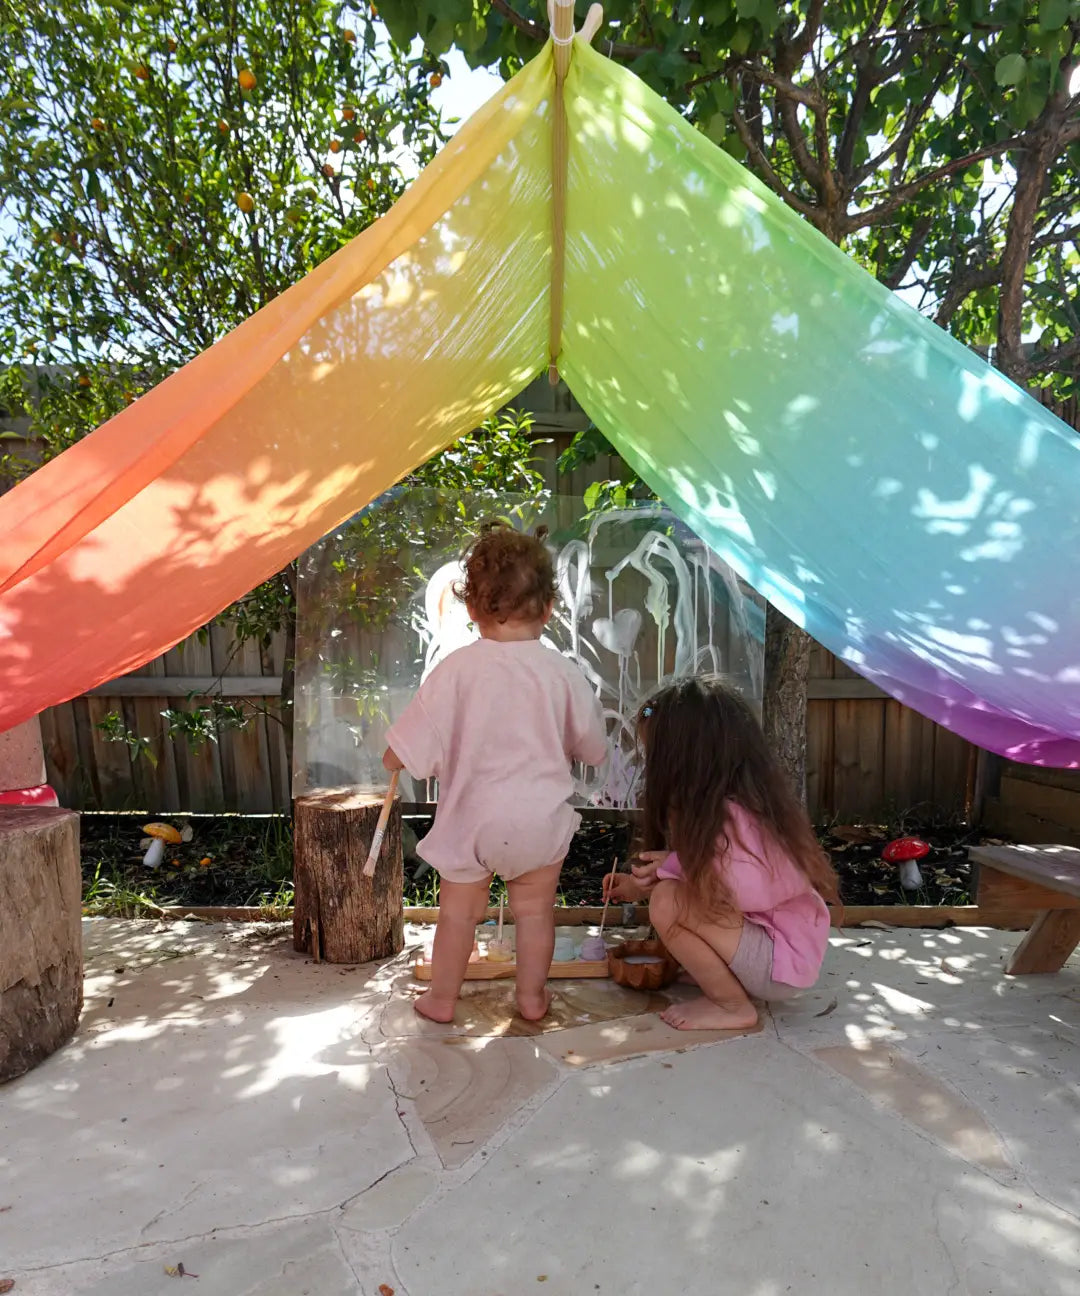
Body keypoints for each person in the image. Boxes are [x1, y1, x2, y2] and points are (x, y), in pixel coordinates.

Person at [383, 522, 607, 1024]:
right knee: (534, 913)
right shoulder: (562, 673)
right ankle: (529, 998)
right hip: (538, 823)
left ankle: (442, 999)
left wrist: (394, 757)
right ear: (549, 609)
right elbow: (594, 749)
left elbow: (405, 747)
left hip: (471, 821)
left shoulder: (456, 670)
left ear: (471, 609)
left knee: (458, 914)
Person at [604, 677, 839, 1030]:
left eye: (656, 756)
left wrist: (673, 868)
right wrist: (640, 884)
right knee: (670, 894)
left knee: (669, 901)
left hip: (779, 962)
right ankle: (721, 978)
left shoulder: (735, 815)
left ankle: (731, 1006)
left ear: (685, 760)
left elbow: (737, 889)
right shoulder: (731, 807)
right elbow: (712, 880)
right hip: (771, 952)